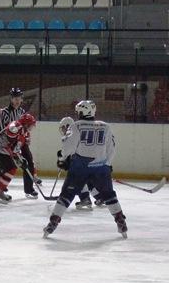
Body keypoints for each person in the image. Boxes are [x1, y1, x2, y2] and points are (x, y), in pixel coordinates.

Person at [43, 100, 128, 239]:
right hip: (100, 168)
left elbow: (68, 148)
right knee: (109, 195)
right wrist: (107, 164)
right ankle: (121, 222)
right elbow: (111, 149)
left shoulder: (76, 126)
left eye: (78, 111)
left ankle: (52, 224)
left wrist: (62, 159)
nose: (77, 114)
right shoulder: (105, 127)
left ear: (83, 112)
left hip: (79, 168)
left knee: (66, 195)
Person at [0, 87, 40, 199]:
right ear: (11, 99)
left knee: (28, 161)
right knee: (3, 166)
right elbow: (1, 130)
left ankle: (29, 189)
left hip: (18, 140)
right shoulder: (4, 112)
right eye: (14, 98)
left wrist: (26, 137)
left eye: (18, 98)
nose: (16, 100)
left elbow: (26, 127)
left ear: (21, 99)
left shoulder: (22, 112)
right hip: (8, 141)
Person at [0, 113, 37, 203]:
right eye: (30, 125)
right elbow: (10, 143)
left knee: (9, 169)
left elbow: (15, 149)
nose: (31, 127)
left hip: (0, 151)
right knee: (10, 169)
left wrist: (20, 158)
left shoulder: (23, 132)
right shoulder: (16, 126)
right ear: (26, 124)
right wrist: (19, 157)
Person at [58, 116, 105, 210]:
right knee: (88, 180)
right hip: (89, 160)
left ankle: (85, 198)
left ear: (67, 126)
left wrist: (62, 159)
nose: (62, 130)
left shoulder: (71, 135)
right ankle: (99, 197)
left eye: (63, 127)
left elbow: (68, 151)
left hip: (81, 162)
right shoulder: (78, 131)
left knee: (78, 179)